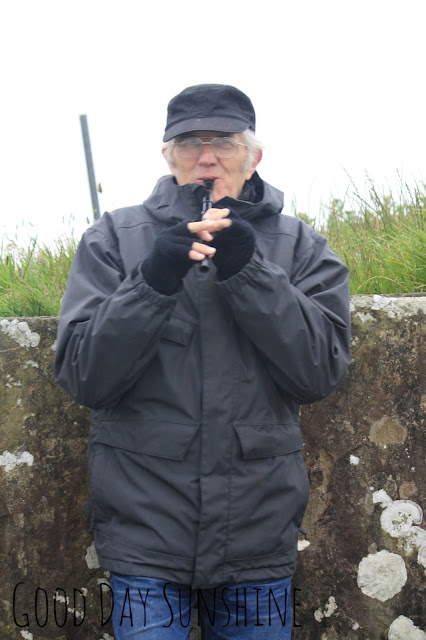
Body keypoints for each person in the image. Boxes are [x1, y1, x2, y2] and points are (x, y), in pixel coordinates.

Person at [54, 84, 351, 638]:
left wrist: (252, 272)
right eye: (190, 142)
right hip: (144, 537)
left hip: (258, 540)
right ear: (166, 155)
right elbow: (84, 375)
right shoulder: (114, 239)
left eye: (224, 141)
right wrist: (152, 281)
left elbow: (320, 371)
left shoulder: (301, 247)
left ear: (254, 155)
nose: (207, 156)